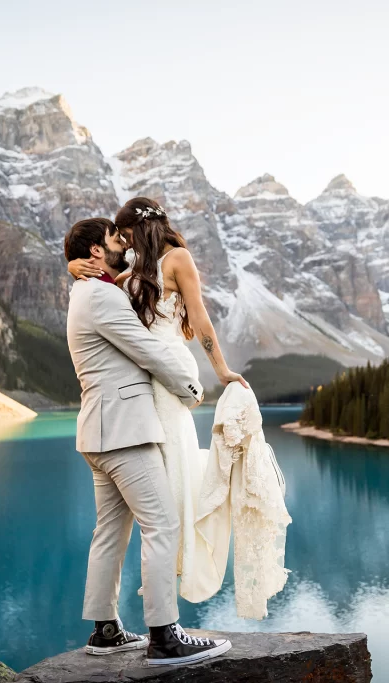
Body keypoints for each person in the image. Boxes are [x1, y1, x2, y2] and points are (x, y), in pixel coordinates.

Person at [63, 217, 232, 667]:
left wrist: (75, 268)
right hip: (124, 432)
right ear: (96, 253)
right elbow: (149, 350)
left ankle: (105, 631)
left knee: (110, 531)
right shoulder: (101, 296)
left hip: (98, 433)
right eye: (114, 241)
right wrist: (192, 389)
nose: (123, 246)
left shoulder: (84, 289)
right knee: (162, 525)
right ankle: (165, 636)